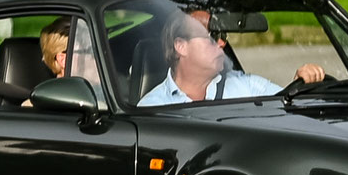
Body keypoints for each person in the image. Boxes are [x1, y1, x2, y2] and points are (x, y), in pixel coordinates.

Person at [136, 10, 325, 106]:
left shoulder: (249, 88)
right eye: (212, 37)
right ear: (181, 46)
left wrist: (300, 84)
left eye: (223, 37)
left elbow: (288, 110)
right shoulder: (152, 107)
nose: (222, 44)